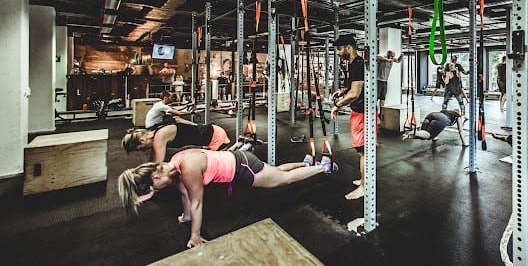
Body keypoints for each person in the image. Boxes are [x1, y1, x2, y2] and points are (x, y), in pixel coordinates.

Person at [117, 148, 337, 248]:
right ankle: (306, 163)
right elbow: (184, 193)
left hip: (243, 168)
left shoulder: (188, 168)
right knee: (278, 171)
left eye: (155, 186)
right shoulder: (175, 162)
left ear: (155, 176)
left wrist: (195, 235)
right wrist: (185, 217)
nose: (159, 189)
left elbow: (197, 202)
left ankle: (322, 167)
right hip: (239, 160)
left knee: (283, 180)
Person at [330, 34, 367, 201]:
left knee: (363, 152)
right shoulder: (353, 63)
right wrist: (342, 91)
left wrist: (337, 106)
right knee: (362, 151)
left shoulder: (357, 63)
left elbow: (355, 93)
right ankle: (364, 179)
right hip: (359, 111)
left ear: (348, 47)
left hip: (362, 113)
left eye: (339, 49)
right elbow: (352, 87)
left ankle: (364, 187)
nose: (338, 53)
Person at [122, 122, 231, 163]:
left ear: (142, 140)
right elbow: (153, 158)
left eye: (140, 149)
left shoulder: (159, 137)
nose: (143, 151)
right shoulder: (155, 131)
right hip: (210, 131)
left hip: (214, 137)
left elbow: (156, 165)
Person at [402, 109, 467, 146]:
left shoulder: (446, 111)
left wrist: (435, 137)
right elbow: (461, 130)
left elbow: (436, 125)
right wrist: (464, 143)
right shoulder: (458, 116)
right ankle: (414, 131)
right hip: (441, 118)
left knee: (423, 135)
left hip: (431, 115)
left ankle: (410, 136)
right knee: (428, 136)